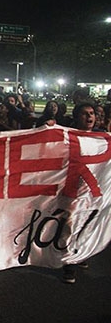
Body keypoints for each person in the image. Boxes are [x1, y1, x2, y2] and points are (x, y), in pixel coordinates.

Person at [62, 102, 98, 284]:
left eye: (91, 113)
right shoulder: (69, 136)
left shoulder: (102, 138)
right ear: (77, 117)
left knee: (88, 224)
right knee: (71, 226)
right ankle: (69, 264)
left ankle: (82, 254)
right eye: (84, 114)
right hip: (73, 189)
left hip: (93, 191)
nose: (89, 117)